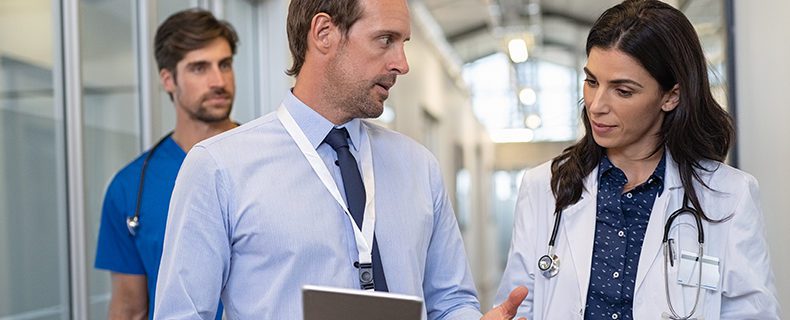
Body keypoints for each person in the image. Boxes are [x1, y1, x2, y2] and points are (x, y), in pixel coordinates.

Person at [153, 0, 527, 319]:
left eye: (404, 43)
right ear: (324, 33)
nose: (402, 63)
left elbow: (449, 302)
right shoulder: (219, 168)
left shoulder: (419, 167)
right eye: (386, 40)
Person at [494, 0, 781, 319]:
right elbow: (517, 304)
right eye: (592, 81)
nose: (596, 105)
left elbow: (752, 313)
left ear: (671, 96)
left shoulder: (730, 196)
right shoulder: (544, 187)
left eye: (623, 91)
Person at [94, 8, 239, 320]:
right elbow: (130, 309)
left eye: (224, 64)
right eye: (199, 68)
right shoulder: (130, 188)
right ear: (168, 79)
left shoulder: (270, 160)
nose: (218, 81)